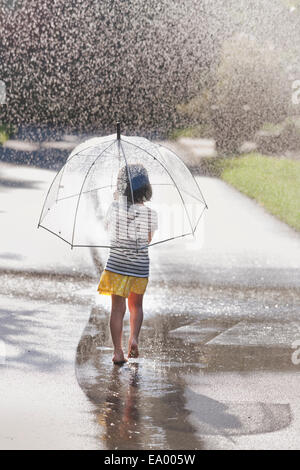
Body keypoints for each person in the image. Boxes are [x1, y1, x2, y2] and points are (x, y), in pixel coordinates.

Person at [97, 164, 158, 364]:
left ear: (121, 185)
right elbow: (147, 240)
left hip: (117, 266)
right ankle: (134, 338)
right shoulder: (150, 214)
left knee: (117, 308)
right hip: (139, 268)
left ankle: (117, 352)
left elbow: (108, 229)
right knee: (136, 306)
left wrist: (117, 202)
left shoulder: (114, 208)